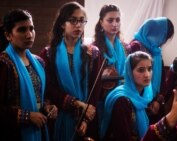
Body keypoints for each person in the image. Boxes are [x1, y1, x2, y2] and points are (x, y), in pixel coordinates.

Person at [39, 2, 98, 141]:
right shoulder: (48, 54)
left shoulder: (93, 53)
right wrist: (75, 103)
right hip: (58, 115)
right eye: (72, 20)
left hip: (86, 118)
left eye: (82, 20)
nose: (78, 25)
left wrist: (85, 120)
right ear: (62, 24)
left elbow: (95, 89)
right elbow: (48, 88)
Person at [0, 9, 58, 141]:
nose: (29, 34)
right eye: (22, 30)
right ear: (8, 35)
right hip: (13, 133)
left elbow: (41, 96)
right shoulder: (4, 64)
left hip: (38, 130)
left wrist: (47, 107)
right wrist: (27, 116)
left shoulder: (39, 62)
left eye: (31, 28)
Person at [89, 4, 128, 138]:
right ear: (101, 22)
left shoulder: (123, 46)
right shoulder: (94, 48)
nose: (115, 24)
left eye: (118, 20)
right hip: (100, 100)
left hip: (120, 97)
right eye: (110, 20)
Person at [127, 17, 174, 123]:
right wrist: (147, 100)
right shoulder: (136, 47)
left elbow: (162, 79)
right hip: (137, 97)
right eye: (164, 37)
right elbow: (131, 77)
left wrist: (157, 100)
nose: (164, 41)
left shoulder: (156, 51)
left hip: (153, 100)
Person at [99, 51, 153, 141]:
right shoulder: (122, 101)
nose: (147, 74)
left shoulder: (145, 96)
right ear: (130, 73)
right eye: (141, 70)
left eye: (149, 69)